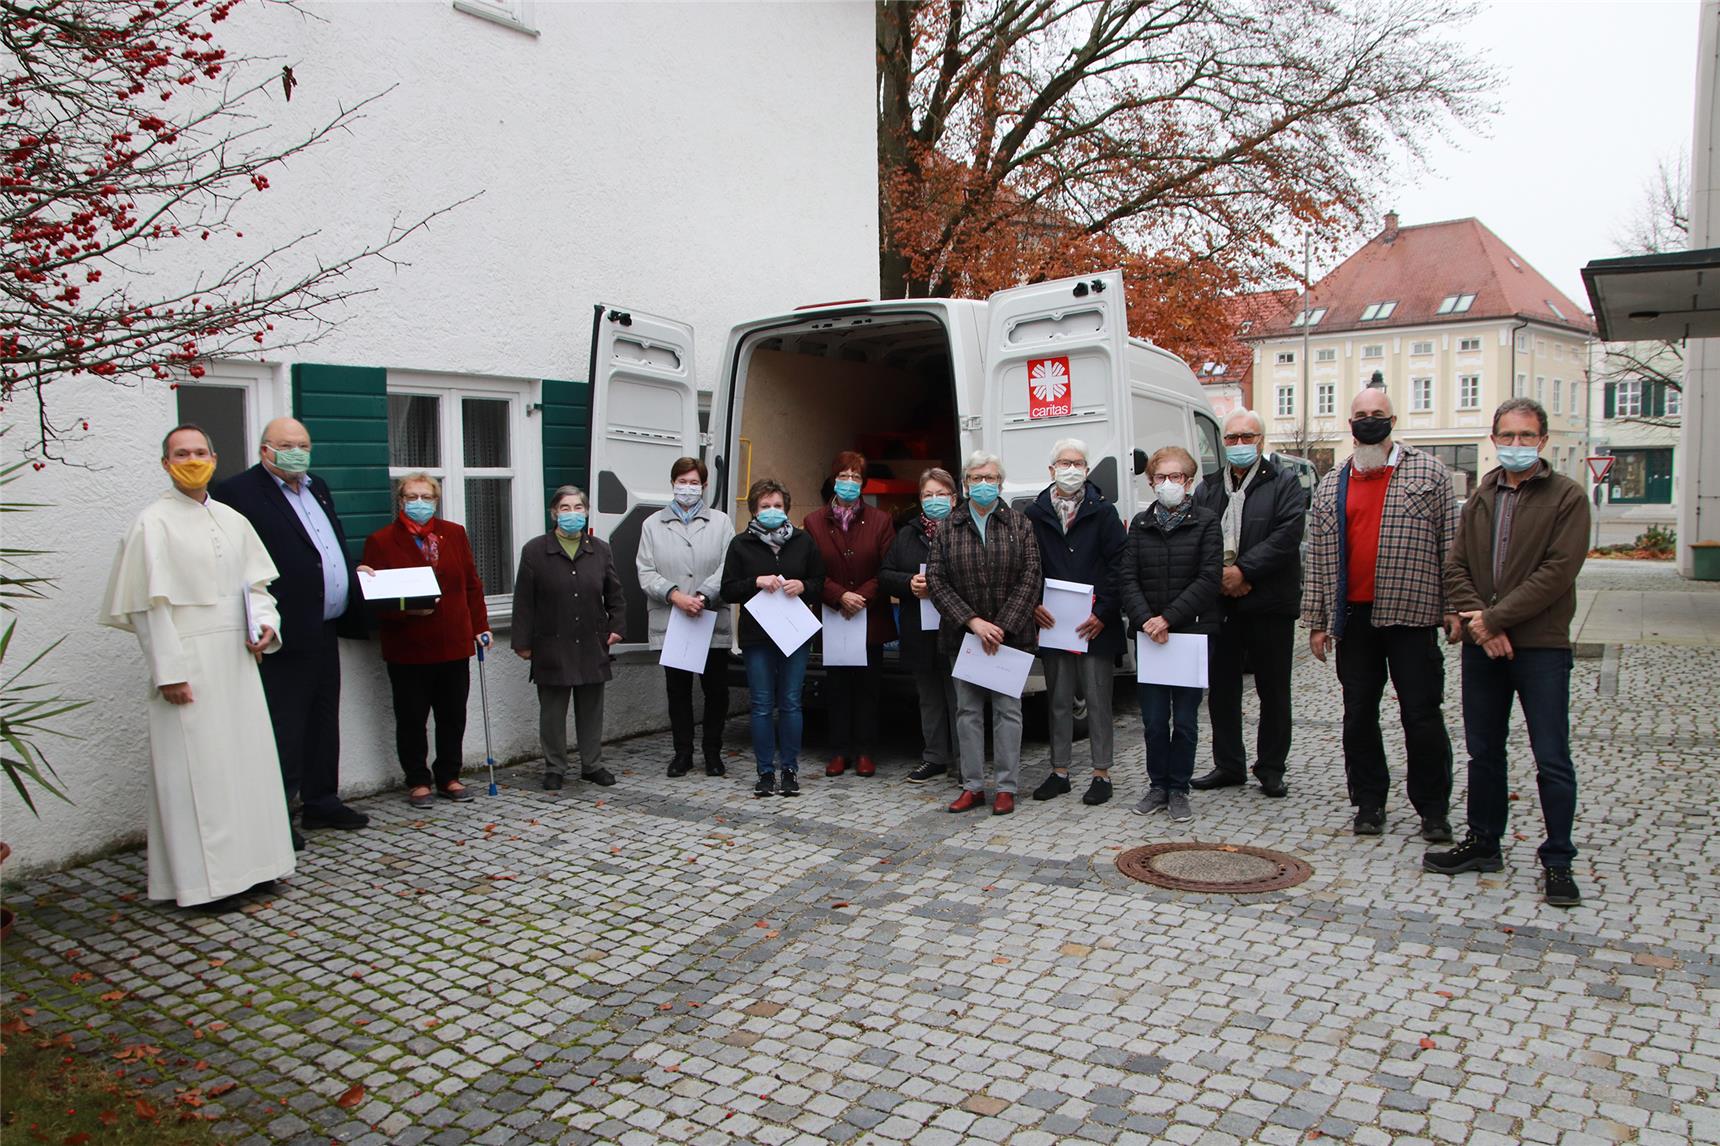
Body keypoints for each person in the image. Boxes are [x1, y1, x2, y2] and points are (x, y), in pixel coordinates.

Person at [100, 424, 295, 911]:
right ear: (166, 464)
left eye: (200, 452)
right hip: (189, 663)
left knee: (248, 767)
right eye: (181, 454)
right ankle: (206, 885)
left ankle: (258, 867)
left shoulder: (232, 519)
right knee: (198, 774)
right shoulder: (152, 524)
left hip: (236, 658)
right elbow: (148, 608)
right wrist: (169, 672)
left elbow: (256, 588)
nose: (192, 460)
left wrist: (266, 626)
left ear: (214, 458)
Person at [1425, 398, 1591, 907]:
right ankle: (1483, 841)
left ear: (1542, 440)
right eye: (1508, 436)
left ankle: (1558, 858)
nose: (1516, 445)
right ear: (1494, 439)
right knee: (1484, 751)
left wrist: (1495, 619)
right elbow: (1455, 567)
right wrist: (1482, 622)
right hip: (1484, 646)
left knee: (1551, 756)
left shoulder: (1567, 497)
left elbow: (1557, 572)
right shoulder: (1482, 496)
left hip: (1540, 646)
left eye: (1526, 436)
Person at [1303, 388, 1460, 840]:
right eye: (1361, 414)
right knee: (1358, 715)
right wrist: (1317, 621)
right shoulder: (1333, 481)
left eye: (1377, 414)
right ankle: (1369, 801)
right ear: (1350, 423)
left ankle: (1433, 809)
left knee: (1422, 715)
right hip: (1355, 618)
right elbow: (1318, 557)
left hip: (1412, 614)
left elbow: (1451, 544)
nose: (1368, 420)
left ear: (1392, 421)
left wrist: (1453, 607)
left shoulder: (1428, 472)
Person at [213, 417, 370, 845]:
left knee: (323, 718)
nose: (297, 452)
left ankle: (321, 801)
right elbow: (233, 565)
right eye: (286, 445)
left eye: (303, 445)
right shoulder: (238, 493)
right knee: (284, 725)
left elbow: (324, 546)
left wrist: (350, 572)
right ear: (265, 449)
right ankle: (275, 814)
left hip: (325, 626)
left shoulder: (318, 487)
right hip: (282, 629)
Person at [1191, 410, 1306, 799]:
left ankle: (1271, 767)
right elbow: (1198, 537)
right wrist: (1221, 577)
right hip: (1221, 603)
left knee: (1273, 690)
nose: (1239, 444)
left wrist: (1244, 571)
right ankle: (1228, 764)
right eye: (1232, 438)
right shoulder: (1209, 488)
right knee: (1222, 690)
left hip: (1270, 602)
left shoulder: (1284, 483)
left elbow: (1287, 535)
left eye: (1247, 437)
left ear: (1261, 440)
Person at [360, 473, 491, 807]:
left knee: (452, 715)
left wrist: (480, 625)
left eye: (426, 497)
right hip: (409, 646)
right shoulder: (382, 541)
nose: (419, 503)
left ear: (436, 500)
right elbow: (375, 601)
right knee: (412, 718)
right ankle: (417, 780)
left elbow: (471, 584)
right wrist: (404, 611)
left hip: (453, 641)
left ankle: (449, 775)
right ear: (400, 501)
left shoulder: (454, 534)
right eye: (412, 497)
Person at [927, 451, 1042, 816]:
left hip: (1010, 637)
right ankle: (973, 786)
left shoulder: (1020, 524)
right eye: (976, 478)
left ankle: (1006, 787)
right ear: (965, 484)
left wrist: (1002, 625)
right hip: (965, 637)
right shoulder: (949, 527)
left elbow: (1031, 576)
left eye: (990, 478)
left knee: (1008, 712)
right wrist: (974, 622)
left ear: (1000, 483)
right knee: (967, 712)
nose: (983, 484)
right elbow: (936, 581)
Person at [1023, 438, 1127, 806]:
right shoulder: (1034, 514)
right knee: (1058, 700)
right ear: (1051, 470)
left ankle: (1101, 773)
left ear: (1087, 469)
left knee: (1098, 700)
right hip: (1054, 623)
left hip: (1095, 623)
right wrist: (1033, 604)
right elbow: (1027, 565)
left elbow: (1120, 566)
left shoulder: (1105, 512)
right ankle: (1060, 771)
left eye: (1078, 463)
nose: (1071, 469)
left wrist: (1104, 612)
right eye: (1064, 463)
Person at [1121, 445, 1222, 823]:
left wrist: (1168, 618)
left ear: (1189, 481)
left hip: (1190, 634)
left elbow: (1209, 578)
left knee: (1185, 720)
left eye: (1175, 476)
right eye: (1161, 477)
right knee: (1152, 720)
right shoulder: (1140, 524)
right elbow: (1127, 577)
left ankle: (1179, 788)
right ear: (1150, 482)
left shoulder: (1206, 522)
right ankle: (1157, 785)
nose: (1168, 483)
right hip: (1151, 637)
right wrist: (1147, 619)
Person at [511, 486, 626, 791]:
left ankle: (592, 764)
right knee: (552, 712)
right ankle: (555, 767)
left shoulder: (600, 550)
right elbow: (524, 601)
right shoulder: (535, 551)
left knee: (591, 710)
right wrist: (522, 642)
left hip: (591, 641)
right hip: (551, 641)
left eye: (578, 508)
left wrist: (617, 626)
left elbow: (615, 594)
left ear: (586, 512)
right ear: (554, 513)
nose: (572, 513)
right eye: (565, 508)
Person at [721, 478, 826, 797]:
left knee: (791, 702)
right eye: (765, 506)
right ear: (754, 510)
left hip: (794, 634)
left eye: (777, 505)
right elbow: (728, 590)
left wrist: (803, 586)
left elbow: (820, 582)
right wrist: (755, 581)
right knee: (762, 704)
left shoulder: (804, 541)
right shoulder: (740, 544)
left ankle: (790, 769)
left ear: (786, 508)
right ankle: (765, 771)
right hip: (757, 637)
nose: (772, 510)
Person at [637, 457, 734, 778]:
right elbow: (645, 571)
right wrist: (675, 595)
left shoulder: (721, 522)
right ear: (672, 484)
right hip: (673, 617)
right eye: (682, 482)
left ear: (704, 486)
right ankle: (683, 753)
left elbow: (728, 566)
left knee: (716, 691)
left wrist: (704, 595)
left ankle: (712, 752)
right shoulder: (652, 524)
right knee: (678, 691)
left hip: (710, 616)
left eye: (694, 483)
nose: (688, 488)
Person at [804, 451, 896, 777]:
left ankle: (865, 751)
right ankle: (839, 750)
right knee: (837, 687)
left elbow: (889, 568)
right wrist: (839, 595)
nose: (849, 482)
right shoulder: (813, 522)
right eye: (843, 476)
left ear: (863, 483)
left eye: (856, 477)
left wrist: (862, 596)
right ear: (833, 480)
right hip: (833, 616)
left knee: (869, 688)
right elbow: (811, 570)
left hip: (870, 616)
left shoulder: (881, 521)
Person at [880, 468, 960, 785]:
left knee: (960, 698)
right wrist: (908, 583)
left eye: (941, 494)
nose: (934, 500)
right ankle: (935, 756)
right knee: (928, 697)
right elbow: (885, 574)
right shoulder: (907, 534)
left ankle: (964, 760)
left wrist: (940, 585)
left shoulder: (965, 529)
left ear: (953, 498)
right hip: (920, 629)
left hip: (957, 627)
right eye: (928, 495)